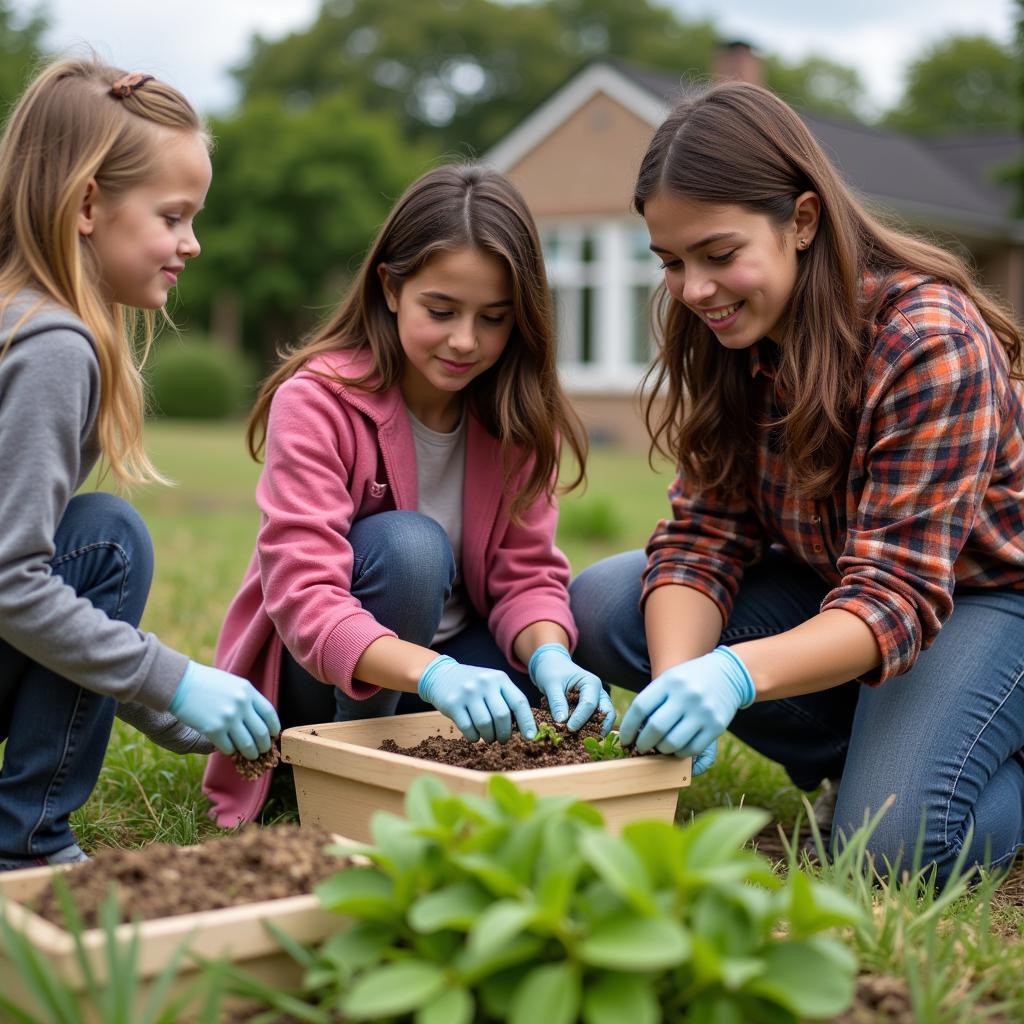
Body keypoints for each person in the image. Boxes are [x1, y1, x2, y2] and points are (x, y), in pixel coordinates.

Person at [569, 81, 1024, 884]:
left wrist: (737, 673)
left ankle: (947, 757)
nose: (695, 289)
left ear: (803, 221)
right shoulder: (725, 331)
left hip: (986, 603)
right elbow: (704, 535)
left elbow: (896, 595)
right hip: (845, 593)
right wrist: (683, 677)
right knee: (608, 602)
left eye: (718, 254)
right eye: (671, 262)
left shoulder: (926, 339)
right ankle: (882, 752)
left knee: (890, 852)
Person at [203, 164, 615, 826]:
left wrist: (550, 656)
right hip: (330, 680)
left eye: (494, 319)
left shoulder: (516, 416)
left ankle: (425, 755)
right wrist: (432, 675)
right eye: (442, 311)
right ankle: (356, 765)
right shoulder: (318, 400)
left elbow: (526, 577)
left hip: (455, 671)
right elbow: (304, 599)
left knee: (560, 698)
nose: (465, 341)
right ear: (391, 288)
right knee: (410, 548)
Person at [0, 59, 280, 870]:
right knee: (108, 538)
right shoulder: (52, 345)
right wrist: (178, 680)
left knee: (89, 537)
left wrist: (173, 710)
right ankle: (26, 841)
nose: (192, 242)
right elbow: (14, 582)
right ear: (89, 204)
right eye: (174, 215)